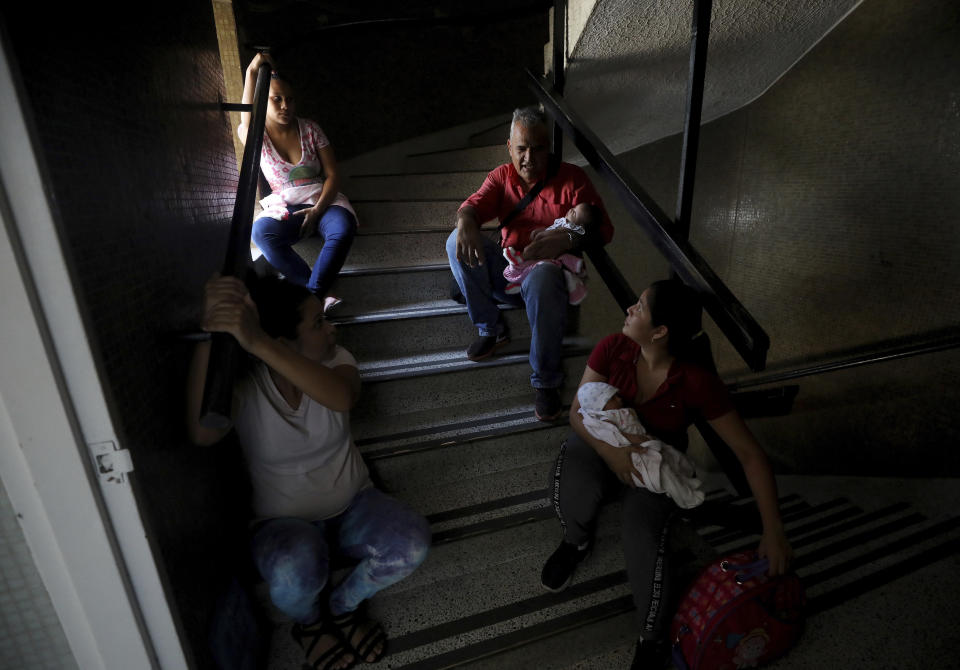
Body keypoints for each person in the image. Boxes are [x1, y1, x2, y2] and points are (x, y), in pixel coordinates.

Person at [540, 279, 793, 669]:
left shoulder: (694, 382)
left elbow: (749, 454)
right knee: (576, 458)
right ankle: (576, 541)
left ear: (660, 332)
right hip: (607, 445)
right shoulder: (613, 348)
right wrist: (613, 455)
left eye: (639, 307)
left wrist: (773, 530)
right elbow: (578, 413)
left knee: (641, 531)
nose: (629, 309)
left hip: (655, 467)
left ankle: (651, 636)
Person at [186, 274, 430, 670]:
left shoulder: (338, 360)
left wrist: (259, 342)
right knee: (293, 566)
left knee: (412, 543)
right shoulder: (247, 384)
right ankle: (311, 625)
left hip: (355, 504)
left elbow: (341, 397)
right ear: (282, 339)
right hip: (281, 523)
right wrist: (211, 328)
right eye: (318, 323)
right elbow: (202, 433)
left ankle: (343, 607)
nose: (331, 328)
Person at [446, 106, 613, 422]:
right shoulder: (501, 177)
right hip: (511, 268)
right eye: (521, 149)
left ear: (548, 147)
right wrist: (465, 218)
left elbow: (605, 229)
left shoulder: (573, 179)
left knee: (545, 274)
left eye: (537, 149)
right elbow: (475, 204)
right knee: (454, 241)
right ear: (510, 147)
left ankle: (546, 380)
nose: (529, 158)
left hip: (547, 280)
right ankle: (491, 328)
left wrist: (570, 240)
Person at [238, 53, 357, 312]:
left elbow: (333, 176)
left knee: (343, 228)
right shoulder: (257, 135)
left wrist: (317, 211)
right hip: (286, 206)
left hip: (323, 201)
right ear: (263, 101)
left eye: (289, 99)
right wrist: (251, 71)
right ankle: (314, 292)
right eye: (276, 99)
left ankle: (311, 299)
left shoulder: (311, 128)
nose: (285, 106)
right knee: (261, 233)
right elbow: (246, 116)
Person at [576, 381, 705, 509]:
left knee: (674, 457)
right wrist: (632, 438)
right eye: (612, 398)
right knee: (664, 472)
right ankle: (686, 498)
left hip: (647, 443)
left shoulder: (617, 411)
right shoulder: (603, 420)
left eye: (617, 396)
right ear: (601, 407)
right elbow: (612, 437)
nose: (619, 399)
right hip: (636, 456)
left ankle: (685, 480)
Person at [502, 202, 604, 305]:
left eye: (574, 213)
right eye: (573, 207)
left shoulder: (572, 229)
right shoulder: (563, 222)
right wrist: (540, 231)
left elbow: (603, 233)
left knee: (535, 262)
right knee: (531, 263)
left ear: (580, 226)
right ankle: (520, 281)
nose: (570, 210)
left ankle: (520, 261)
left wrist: (570, 239)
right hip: (532, 250)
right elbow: (550, 229)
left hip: (547, 258)